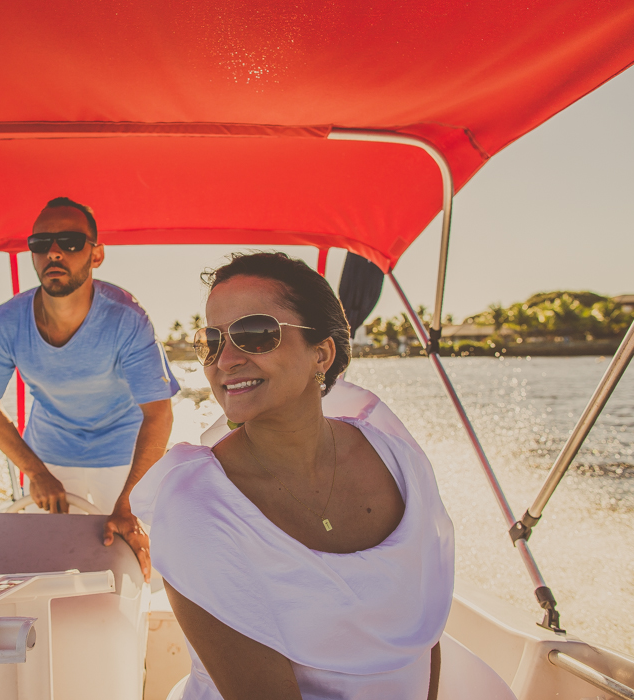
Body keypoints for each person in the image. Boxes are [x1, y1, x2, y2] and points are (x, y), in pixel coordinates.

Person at [130, 252, 455, 699]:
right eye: (212, 341)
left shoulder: (400, 462)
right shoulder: (195, 505)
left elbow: (426, 633)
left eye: (254, 334)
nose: (225, 360)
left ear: (322, 353)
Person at [0, 197, 178, 581]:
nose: (54, 252)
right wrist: (36, 472)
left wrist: (127, 504)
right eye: (41, 243)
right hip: (48, 453)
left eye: (70, 241)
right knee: (47, 566)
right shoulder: (6, 323)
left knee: (128, 565)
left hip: (123, 454)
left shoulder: (127, 319)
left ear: (96, 255)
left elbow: (159, 413)